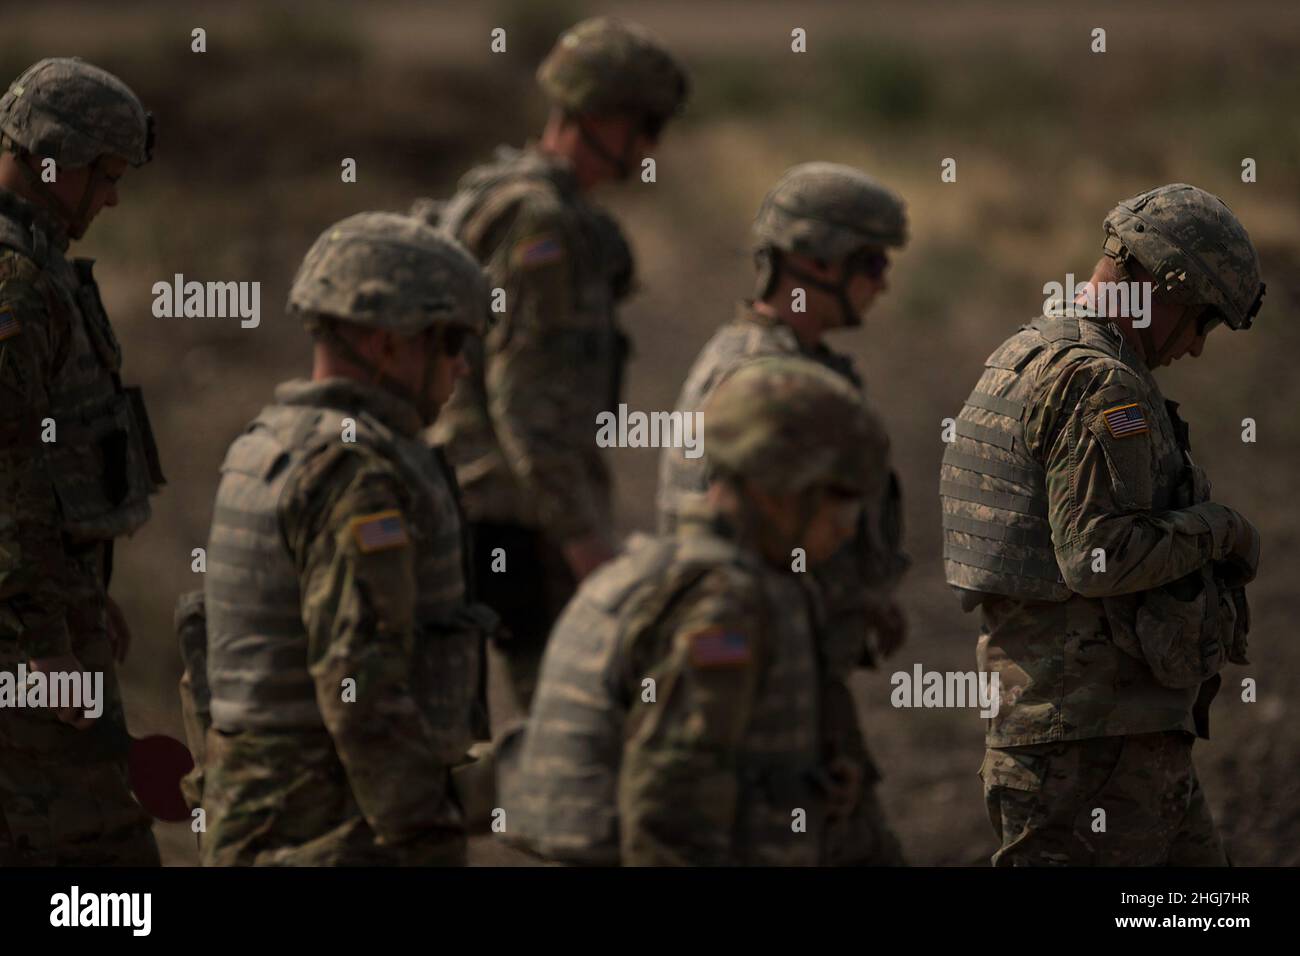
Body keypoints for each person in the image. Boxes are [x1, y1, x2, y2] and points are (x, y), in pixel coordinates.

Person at [940, 183, 1265, 866]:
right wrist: (1221, 530)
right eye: (1202, 320)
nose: (1197, 348)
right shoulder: (1098, 381)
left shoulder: (1030, 352)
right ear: (1163, 286)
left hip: (1106, 742)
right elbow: (1096, 556)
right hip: (1087, 752)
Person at [500, 356, 892, 865]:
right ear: (775, 491)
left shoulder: (649, 569)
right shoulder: (724, 604)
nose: (848, 524)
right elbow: (669, 814)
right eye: (838, 498)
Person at [198, 212, 497, 865]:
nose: (462, 370)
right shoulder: (353, 472)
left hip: (270, 822)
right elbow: (358, 684)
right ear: (386, 342)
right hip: (327, 830)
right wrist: (427, 826)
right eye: (452, 343)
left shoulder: (270, 444)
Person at [411, 16, 689, 709]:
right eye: (646, 127)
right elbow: (528, 400)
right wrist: (584, 541)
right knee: (569, 734)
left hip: (478, 500)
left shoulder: (497, 189)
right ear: (604, 117)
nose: (652, 146)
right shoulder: (546, 223)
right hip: (515, 515)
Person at [657, 162, 910, 863]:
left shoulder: (775, 362)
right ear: (810, 263)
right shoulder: (765, 381)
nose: (883, 281)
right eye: (870, 261)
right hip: (764, 683)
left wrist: (862, 597)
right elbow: (748, 545)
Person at [0, 57, 162, 866]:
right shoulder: (16, 284)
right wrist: (41, 640)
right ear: (53, 158)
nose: (112, 197)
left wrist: (85, 602)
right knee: (100, 853)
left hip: (51, 615)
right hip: (25, 636)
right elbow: (7, 473)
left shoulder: (40, 267)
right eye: (104, 174)